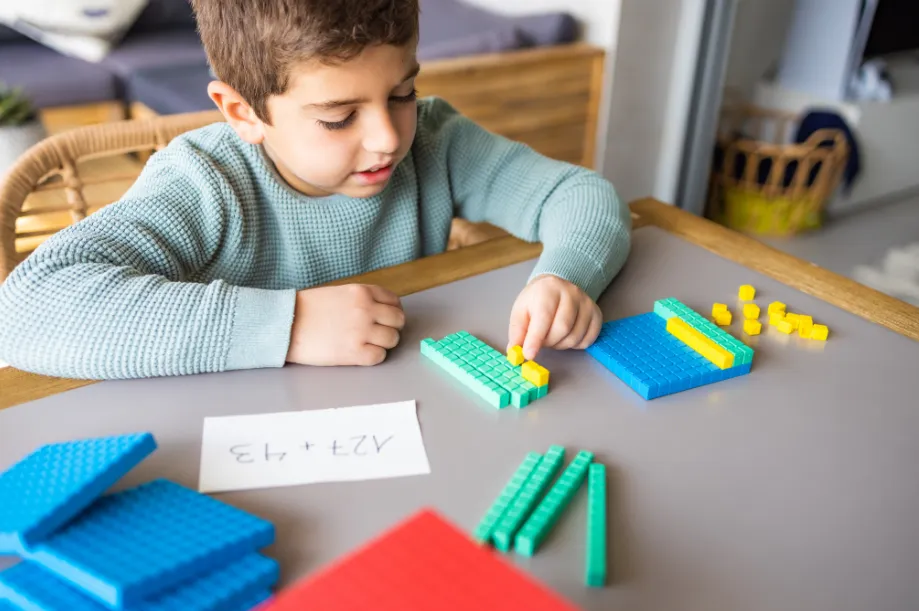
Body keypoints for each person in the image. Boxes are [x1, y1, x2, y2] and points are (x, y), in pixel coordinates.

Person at [0, 0, 631, 380]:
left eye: (402, 92)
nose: (388, 137)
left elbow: (580, 195)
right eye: (338, 117)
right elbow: (25, 311)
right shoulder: (204, 182)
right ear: (243, 112)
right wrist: (290, 325)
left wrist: (566, 276)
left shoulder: (435, 140)